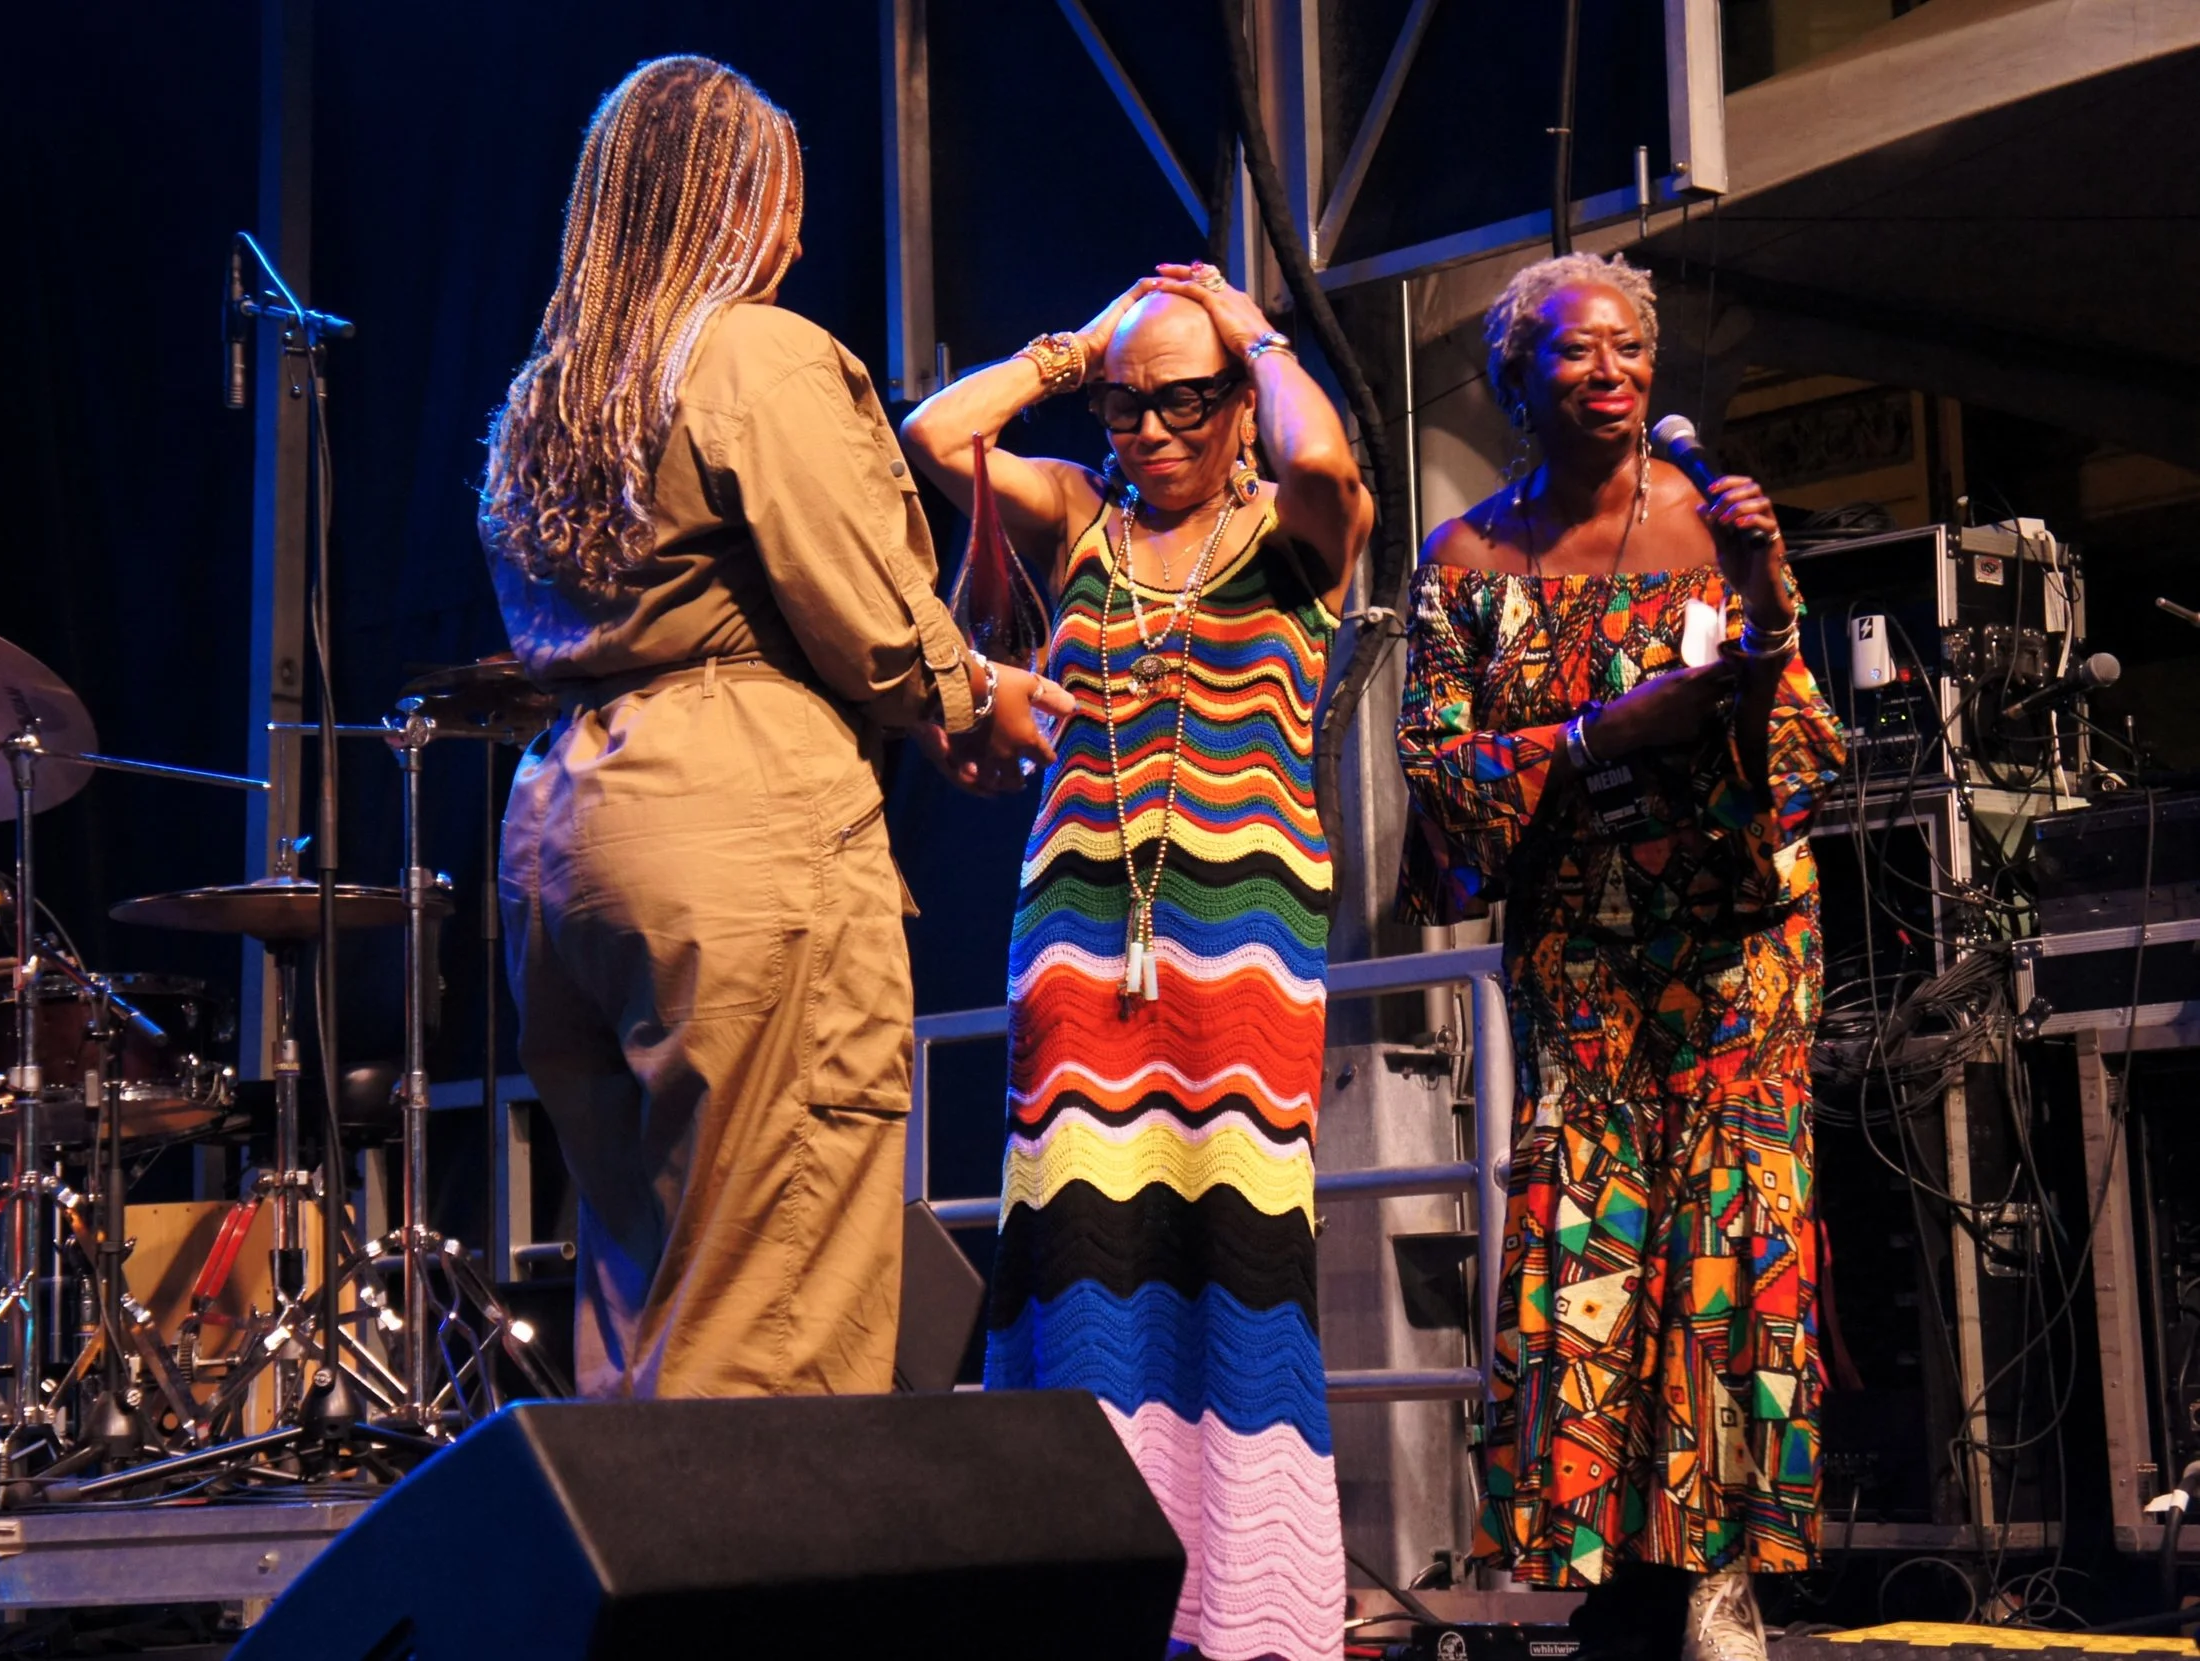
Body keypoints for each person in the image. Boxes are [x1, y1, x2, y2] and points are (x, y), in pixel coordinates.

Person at [479, 57, 1066, 1399]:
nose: (797, 237)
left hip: (574, 826)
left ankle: (636, 1601)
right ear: (724, 202)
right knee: (776, 1285)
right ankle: (749, 1612)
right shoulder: (752, 349)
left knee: (647, 1291)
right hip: (738, 816)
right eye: (782, 203)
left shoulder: (548, 398)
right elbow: (854, 589)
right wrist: (976, 697)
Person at [901, 266, 1373, 1661]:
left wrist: (1258, 334)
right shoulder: (1076, 527)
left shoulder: (1295, 537)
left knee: (1234, 1251)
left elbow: (1327, 454)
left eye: (1186, 401)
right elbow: (936, 437)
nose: (1154, 430)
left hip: (1244, 962)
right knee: (1080, 1252)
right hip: (1077, 949)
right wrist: (1077, 350)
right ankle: (1084, 1593)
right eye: (1130, 406)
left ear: (1235, 403)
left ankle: (1243, 1615)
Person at [1394, 252, 1845, 1661]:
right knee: (1596, 1235)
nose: (1611, 373)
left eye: (1628, 352)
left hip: (1736, 946)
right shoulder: (1465, 564)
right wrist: (1599, 735)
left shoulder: (1712, 531)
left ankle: (1722, 1569)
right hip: (1582, 952)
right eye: (1577, 353)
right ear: (1516, 379)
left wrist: (1771, 603)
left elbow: (1804, 747)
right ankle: (1609, 1564)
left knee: (1732, 1238)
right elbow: (1441, 785)